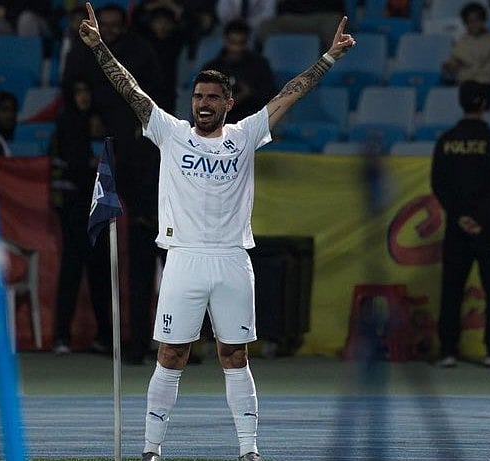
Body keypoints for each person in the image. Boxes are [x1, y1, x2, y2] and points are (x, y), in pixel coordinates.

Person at [75, 3, 355, 459]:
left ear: (228, 102)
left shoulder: (245, 135)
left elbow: (289, 94)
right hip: (183, 258)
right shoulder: (170, 132)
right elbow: (130, 91)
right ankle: (150, 450)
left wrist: (329, 57)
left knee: (235, 357)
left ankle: (249, 449)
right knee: (170, 357)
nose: (203, 104)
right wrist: (100, 48)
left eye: (212, 98)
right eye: (198, 97)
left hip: (231, 259)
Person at [63, 3, 168, 366]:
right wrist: (87, 115)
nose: (108, 29)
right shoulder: (80, 52)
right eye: (102, 26)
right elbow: (72, 90)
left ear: (123, 25)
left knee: (146, 253)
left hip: (140, 158)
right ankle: (114, 339)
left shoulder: (141, 51)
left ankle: (156, 341)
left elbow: (154, 94)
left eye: (113, 25)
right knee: (96, 252)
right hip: (99, 158)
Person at [430, 80, 490, 370]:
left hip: (456, 227)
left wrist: (460, 216)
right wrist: (479, 218)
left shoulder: (446, 141)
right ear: (483, 104)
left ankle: (448, 351)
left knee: (452, 289)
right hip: (488, 228)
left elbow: (439, 185)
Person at [49, 78, 113, 354]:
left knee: (100, 276)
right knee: (71, 273)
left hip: (95, 210)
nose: (84, 97)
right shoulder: (66, 124)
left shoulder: (103, 123)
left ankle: (105, 337)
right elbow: (73, 167)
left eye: (87, 90)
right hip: (74, 211)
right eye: (79, 91)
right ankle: (61, 337)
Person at [201, 19, 277, 124]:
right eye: (233, 42)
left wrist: (249, 94)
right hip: (219, 127)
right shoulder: (211, 69)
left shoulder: (259, 65)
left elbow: (270, 99)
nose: (236, 48)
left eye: (241, 43)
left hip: (252, 125)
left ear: (247, 42)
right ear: (225, 40)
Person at [441, 2, 490, 99]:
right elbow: (455, 61)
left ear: (483, 21)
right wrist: (449, 66)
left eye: (477, 21)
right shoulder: (461, 43)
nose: (474, 25)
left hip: (487, 82)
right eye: (470, 21)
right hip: (466, 83)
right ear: (465, 23)